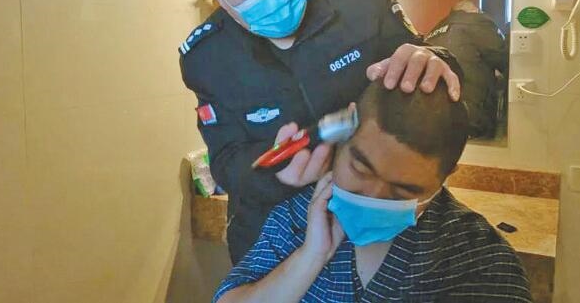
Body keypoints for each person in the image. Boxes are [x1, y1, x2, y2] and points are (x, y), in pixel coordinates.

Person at [179, 0, 462, 264]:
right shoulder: (207, 57)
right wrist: (278, 174)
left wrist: (435, 59)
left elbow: (422, 69)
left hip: (376, 214)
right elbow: (227, 162)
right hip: (274, 237)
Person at [213, 80, 532, 302]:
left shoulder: (478, 258)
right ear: (341, 142)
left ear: (444, 179)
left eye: (403, 190)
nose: (372, 196)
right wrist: (311, 256)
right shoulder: (298, 217)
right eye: (360, 169)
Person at [425, 0, 509, 139]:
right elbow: (507, 61)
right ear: (475, 11)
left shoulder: (434, 31)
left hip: (433, 118)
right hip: (470, 117)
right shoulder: (478, 22)